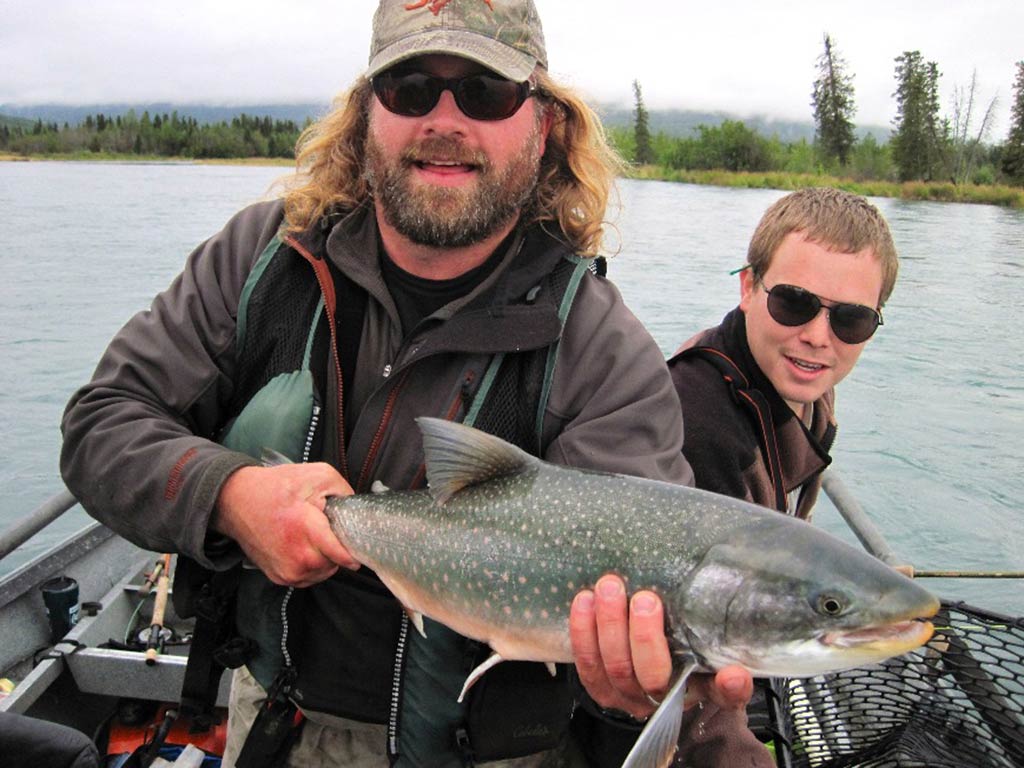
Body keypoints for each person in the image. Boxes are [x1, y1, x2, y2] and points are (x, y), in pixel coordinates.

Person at [60, 1, 760, 766]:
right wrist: (231, 496)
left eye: (487, 94)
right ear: (366, 115)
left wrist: (646, 688)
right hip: (269, 716)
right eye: (411, 87)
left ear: (544, 125)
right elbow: (102, 423)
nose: (445, 120)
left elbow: (647, 593)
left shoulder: (601, 352)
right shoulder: (259, 262)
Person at [669, 187, 899, 519]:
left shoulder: (809, 381)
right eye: (793, 303)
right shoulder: (697, 424)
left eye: (852, 319)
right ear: (747, 287)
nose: (818, 338)